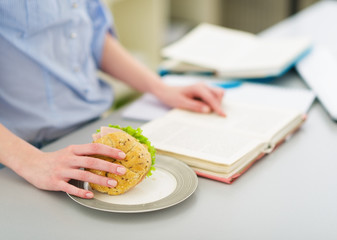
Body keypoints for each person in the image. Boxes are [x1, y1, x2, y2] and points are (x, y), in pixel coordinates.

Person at [0, 1, 225, 199]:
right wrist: (31, 161)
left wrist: (160, 88)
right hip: (21, 156)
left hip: (85, 130)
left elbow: (91, 35)